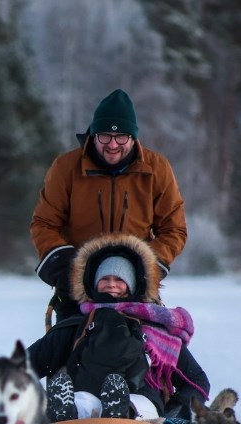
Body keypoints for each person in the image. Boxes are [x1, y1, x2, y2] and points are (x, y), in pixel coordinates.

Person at [30, 89, 188, 322]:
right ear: (93, 135)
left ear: (133, 138)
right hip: (76, 289)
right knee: (62, 352)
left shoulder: (157, 169)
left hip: (134, 289)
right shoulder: (66, 167)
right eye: (105, 136)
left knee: (157, 352)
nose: (113, 145)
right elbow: (44, 223)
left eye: (121, 137)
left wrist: (146, 267)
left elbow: (174, 230)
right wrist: (65, 267)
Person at [27, 233, 208, 424]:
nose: (111, 284)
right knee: (83, 401)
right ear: (94, 282)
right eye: (105, 278)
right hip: (87, 396)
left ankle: (122, 412)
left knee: (138, 406)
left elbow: (197, 381)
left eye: (119, 279)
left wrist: (173, 413)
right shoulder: (76, 326)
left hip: (141, 402)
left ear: (132, 284)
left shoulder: (155, 329)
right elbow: (25, 366)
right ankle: (68, 411)